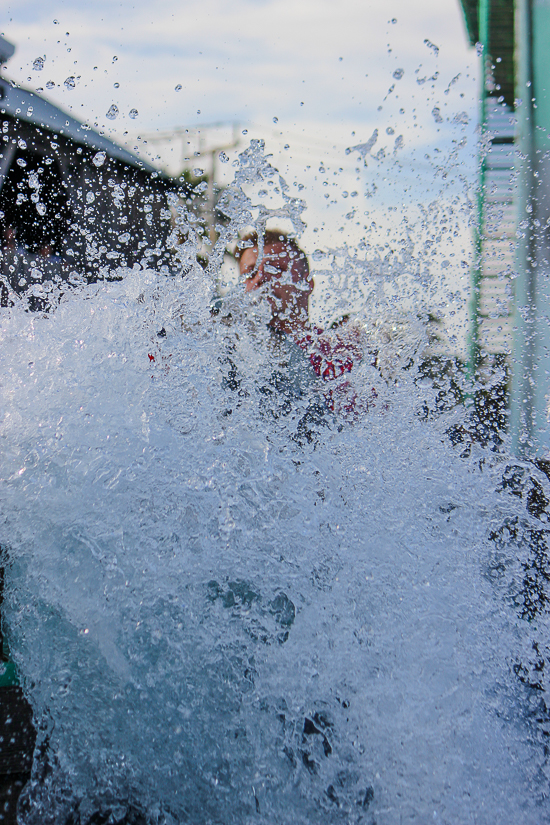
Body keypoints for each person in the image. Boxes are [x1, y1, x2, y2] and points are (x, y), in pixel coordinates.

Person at [235, 230, 375, 418]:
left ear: (307, 282)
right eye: (250, 273)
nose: (261, 279)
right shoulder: (229, 355)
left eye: (276, 269)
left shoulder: (339, 354)